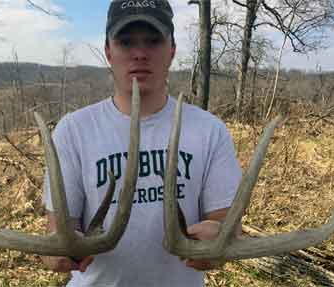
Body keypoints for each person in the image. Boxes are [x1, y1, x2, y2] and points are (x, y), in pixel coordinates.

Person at [40, 0, 242, 286]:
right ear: (109, 52)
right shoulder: (73, 131)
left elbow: (227, 226)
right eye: (125, 42)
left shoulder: (209, 130)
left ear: (171, 50)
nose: (139, 54)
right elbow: (59, 231)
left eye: (153, 41)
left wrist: (220, 236)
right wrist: (59, 251)